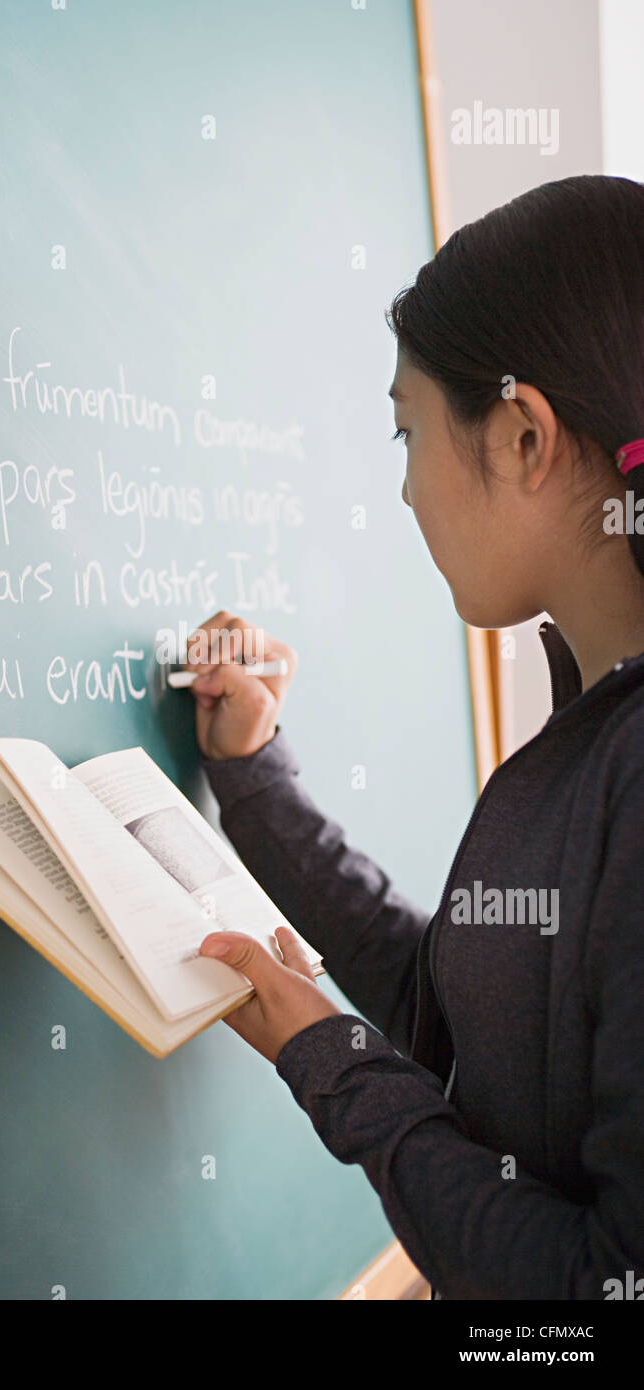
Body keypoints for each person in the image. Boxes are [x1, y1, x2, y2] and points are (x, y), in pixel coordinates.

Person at [187, 174, 644, 1301]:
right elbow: (461, 1011)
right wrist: (253, 775)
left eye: (408, 430)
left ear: (524, 437)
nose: (402, 488)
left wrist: (337, 1068)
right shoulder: (593, 733)